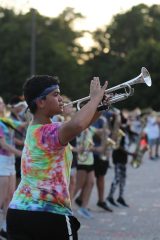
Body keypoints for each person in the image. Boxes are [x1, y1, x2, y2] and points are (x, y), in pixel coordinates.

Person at [7, 75, 108, 240]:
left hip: (19, 212)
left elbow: (80, 126)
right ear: (40, 102)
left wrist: (99, 105)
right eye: (55, 94)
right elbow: (77, 125)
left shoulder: (39, 130)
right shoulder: (48, 132)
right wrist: (94, 99)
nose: (61, 98)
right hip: (50, 215)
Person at [0, 97, 22, 239]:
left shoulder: (6, 121)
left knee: (10, 196)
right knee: (1, 198)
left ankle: (5, 227)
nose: (2, 105)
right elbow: (4, 145)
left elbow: (13, 138)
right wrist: (22, 153)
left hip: (10, 160)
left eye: (2, 102)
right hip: (2, 160)